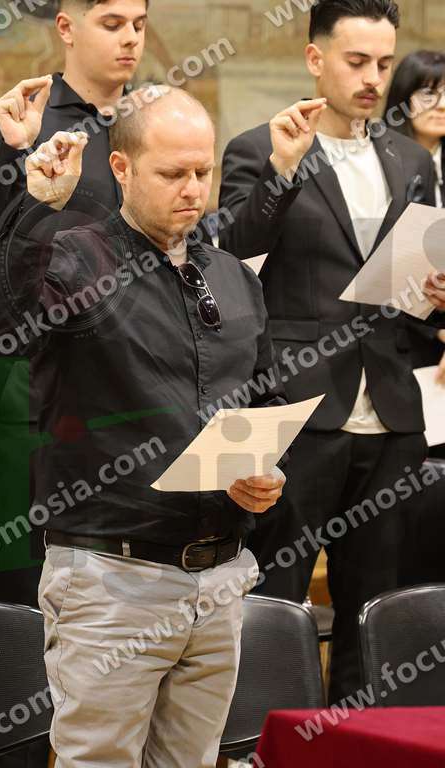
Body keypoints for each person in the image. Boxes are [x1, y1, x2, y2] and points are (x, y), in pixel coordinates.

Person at [0, 86, 289, 768]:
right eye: (172, 173)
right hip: (111, 577)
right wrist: (38, 207)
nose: (192, 190)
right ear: (122, 168)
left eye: (202, 171)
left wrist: (265, 472)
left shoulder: (234, 278)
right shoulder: (72, 259)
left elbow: (262, 401)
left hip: (218, 574)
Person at [219, 0, 445, 702]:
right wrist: (283, 172)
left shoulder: (411, 158)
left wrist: (435, 293)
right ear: (316, 59)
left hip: (393, 410)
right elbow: (232, 254)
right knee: (276, 597)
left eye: (384, 63)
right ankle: (266, 739)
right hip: (298, 406)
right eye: (357, 61)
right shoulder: (260, 147)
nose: (373, 78)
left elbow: (411, 290)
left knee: (375, 607)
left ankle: (358, 738)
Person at [0, 0, 151, 614]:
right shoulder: (27, 120)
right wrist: (19, 155)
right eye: (112, 24)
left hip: (135, 368)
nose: (130, 38)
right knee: (34, 569)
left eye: (139, 25)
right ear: (66, 28)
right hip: (38, 370)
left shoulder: (148, 120)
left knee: (130, 574)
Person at [384, 51, 445, 394]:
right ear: (403, 98)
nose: (441, 105)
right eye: (429, 94)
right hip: (397, 337)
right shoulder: (379, 163)